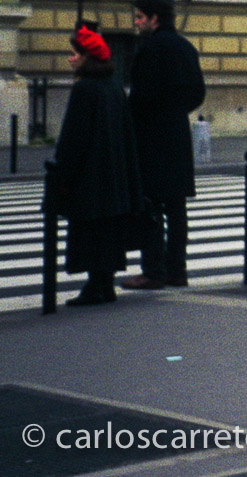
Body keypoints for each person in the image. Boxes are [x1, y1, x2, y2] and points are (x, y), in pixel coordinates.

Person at [53, 24, 142, 307]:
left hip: (90, 177)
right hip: (114, 175)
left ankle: (95, 285)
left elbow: (73, 138)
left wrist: (63, 174)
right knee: (108, 231)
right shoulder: (114, 88)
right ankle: (105, 283)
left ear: (86, 57)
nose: (70, 59)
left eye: (73, 54)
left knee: (90, 231)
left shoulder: (85, 90)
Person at [123, 0, 206, 291]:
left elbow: (140, 96)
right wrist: (176, 110)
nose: (136, 22)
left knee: (151, 206)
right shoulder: (185, 47)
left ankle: (153, 271)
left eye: (140, 17)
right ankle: (177, 270)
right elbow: (198, 93)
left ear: (155, 18)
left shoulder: (150, 49)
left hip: (151, 136)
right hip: (176, 132)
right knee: (177, 207)